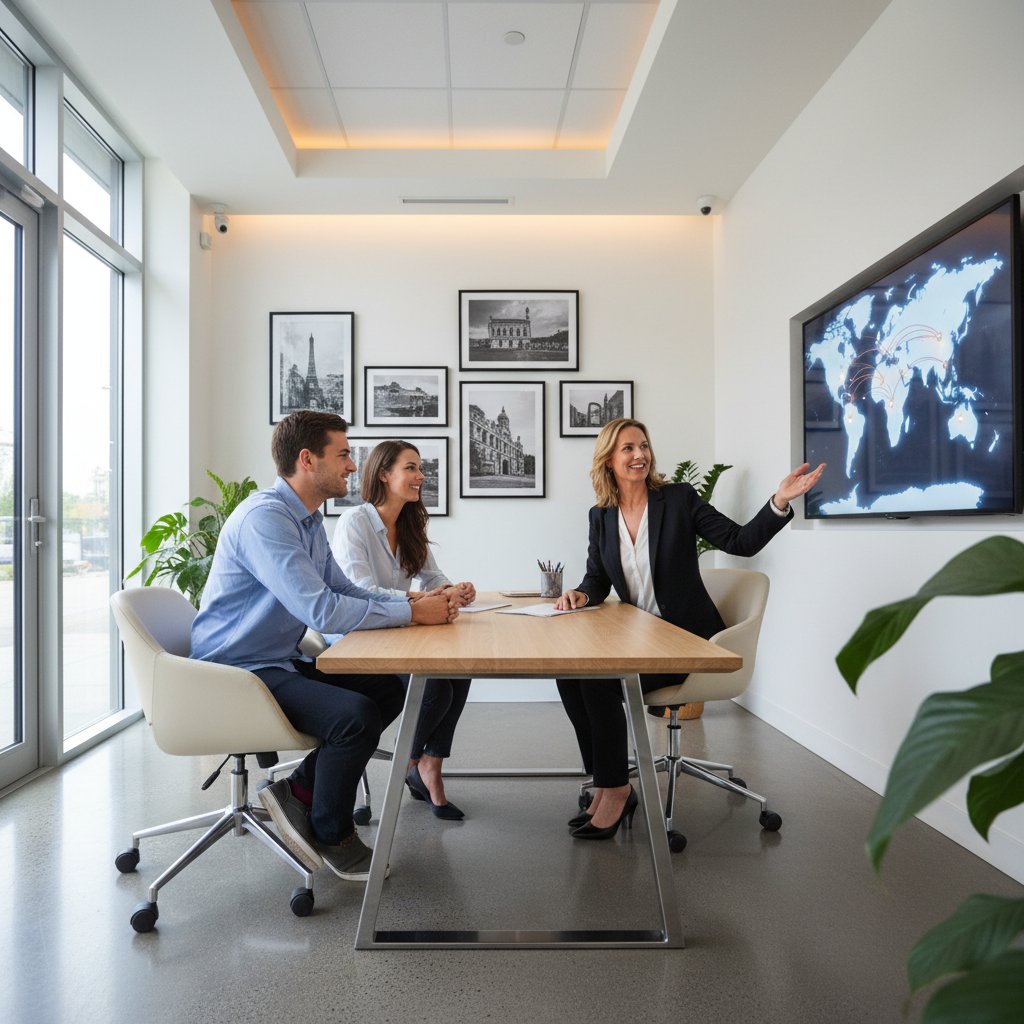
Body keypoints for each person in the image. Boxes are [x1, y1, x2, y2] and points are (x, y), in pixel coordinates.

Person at [189, 411, 458, 881]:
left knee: (389, 689)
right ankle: (331, 832)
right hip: (237, 674)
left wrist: (412, 600)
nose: (353, 467)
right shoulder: (265, 520)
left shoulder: (307, 520)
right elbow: (323, 611)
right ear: (307, 460)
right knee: (354, 718)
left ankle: (300, 791)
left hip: (278, 661)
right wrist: (413, 612)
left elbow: (346, 590)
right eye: (344, 455)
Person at [554, 417, 824, 840]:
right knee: (570, 675)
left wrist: (779, 501)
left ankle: (616, 790)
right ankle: (608, 782)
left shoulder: (677, 500)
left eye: (643, 445)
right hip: (638, 640)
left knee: (599, 681)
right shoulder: (601, 515)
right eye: (627, 448)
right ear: (608, 459)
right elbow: (597, 580)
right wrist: (579, 595)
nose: (639, 454)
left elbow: (739, 541)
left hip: (686, 643)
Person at [330, 440, 476, 820]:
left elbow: (433, 575)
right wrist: (417, 599)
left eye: (420, 468)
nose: (420, 476)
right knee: (434, 688)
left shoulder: (410, 522)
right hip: (360, 636)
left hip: (398, 628)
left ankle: (429, 766)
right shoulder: (355, 523)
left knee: (460, 671)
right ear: (383, 474)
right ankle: (408, 766)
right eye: (411, 468)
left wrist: (453, 589)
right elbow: (357, 589)